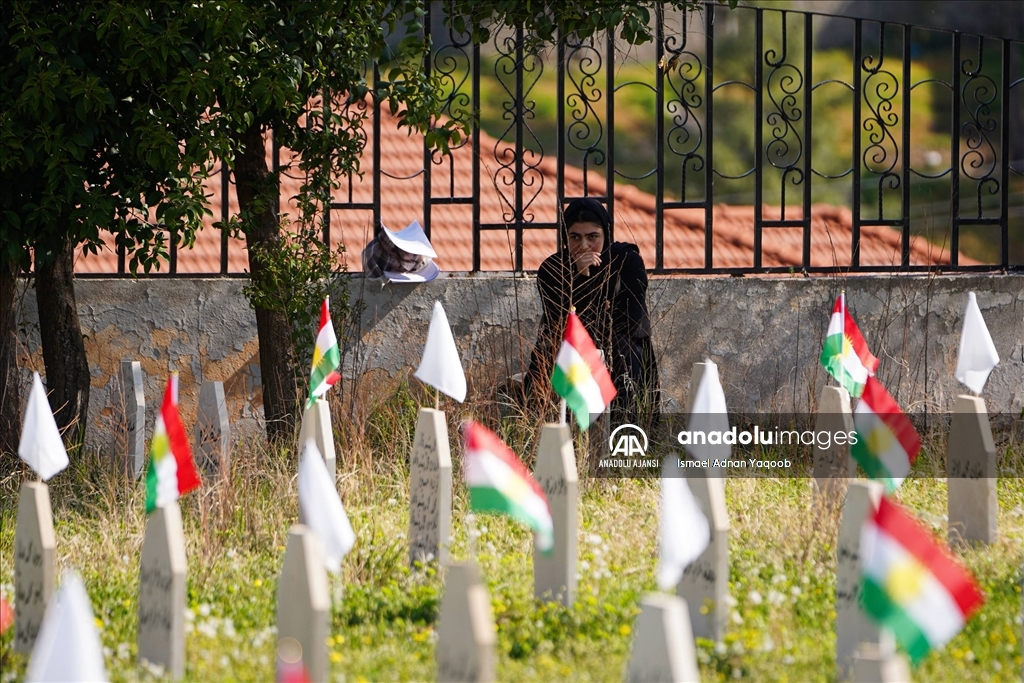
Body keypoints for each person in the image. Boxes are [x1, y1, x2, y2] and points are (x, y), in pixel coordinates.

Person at [524, 197, 660, 427]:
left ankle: (625, 437)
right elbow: (560, 319)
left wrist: (597, 340)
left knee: (626, 356)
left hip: (619, 345)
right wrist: (581, 276)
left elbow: (631, 317)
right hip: (565, 345)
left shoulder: (626, 261)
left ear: (605, 234)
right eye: (575, 237)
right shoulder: (552, 269)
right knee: (548, 357)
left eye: (592, 237)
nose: (584, 246)